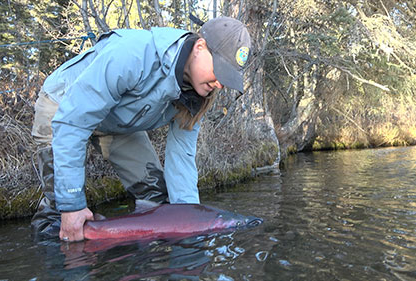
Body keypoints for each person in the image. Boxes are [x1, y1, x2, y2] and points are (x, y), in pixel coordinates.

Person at [30, 16, 251, 242]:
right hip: (63, 108)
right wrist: (72, 205)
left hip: (115, 121)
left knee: (158, 198)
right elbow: (73, 122)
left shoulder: (196, 98)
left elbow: (181, 159)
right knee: (62, 208)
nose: (221, 84)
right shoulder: (133, 54)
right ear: (199, 47)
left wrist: (189, 225)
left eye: (228, 78)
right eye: (220, 71)